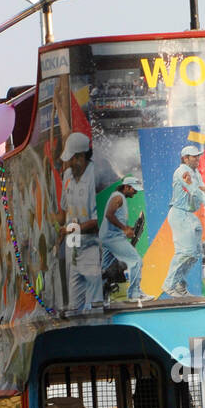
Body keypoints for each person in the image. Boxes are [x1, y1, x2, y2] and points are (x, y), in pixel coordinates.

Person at [58, 132, 103, 312]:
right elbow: (63, 210)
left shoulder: (94, 176)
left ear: (82, 157)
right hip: (73, 247)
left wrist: (71, 229)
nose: (68, 163)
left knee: (94, 306)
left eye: (72, 158)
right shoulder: (68, 175)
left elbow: (97, 221)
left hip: (91, 248)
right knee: (73, 306)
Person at [162, 144, 205, 297]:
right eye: (194, 156)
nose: (197, 159)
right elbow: (194, 191)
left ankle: (180, 285)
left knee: (195, 253)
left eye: (198, 156)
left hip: (190, 215)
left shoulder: (196, 173)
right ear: (185, 158)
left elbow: (202, 191)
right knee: (185, 252)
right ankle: (169, 285)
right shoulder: (182, 171)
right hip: (180, 213)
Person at [99, 175, 151, 301]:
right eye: (134, 189)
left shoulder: (119, 197)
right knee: (136, 261)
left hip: (106, 237)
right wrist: (124, 229)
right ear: (127, 187)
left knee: (105, 269)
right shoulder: (118, 197)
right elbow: (109, 215)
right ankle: (135, 294)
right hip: (113, 239)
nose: (136, 192)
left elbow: (115, 219)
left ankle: (101, 297)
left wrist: (129, 228)